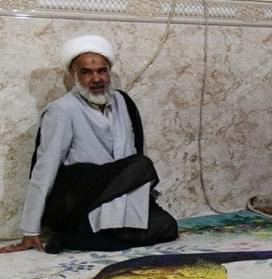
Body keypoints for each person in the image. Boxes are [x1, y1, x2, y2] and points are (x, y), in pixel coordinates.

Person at [0, 34, 179, 255]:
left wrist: (140, 199)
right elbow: (45, 167)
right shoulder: (62, 110)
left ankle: (74, 237)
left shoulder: (123, 102)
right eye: (86, 72)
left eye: (102, 71)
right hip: (81, 195)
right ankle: (82, 230)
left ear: (109, 72)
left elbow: (129, 156)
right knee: (141, 165)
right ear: (73, 75)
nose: (96, 79)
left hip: (117, 192)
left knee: (167, 227)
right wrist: (30, 229)